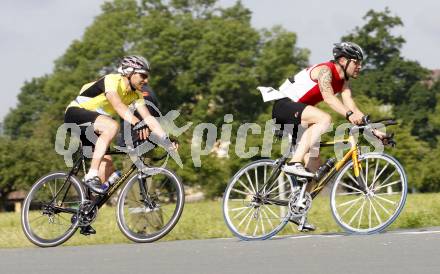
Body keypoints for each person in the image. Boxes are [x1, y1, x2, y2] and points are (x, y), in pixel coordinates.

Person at [271, 42, 386, 231]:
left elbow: (353, 109)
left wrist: (375, 132)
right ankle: (294, 163)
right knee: (324, 118)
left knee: (315, 169)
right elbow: (329, 98)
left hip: (301, 118)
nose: (360, 66)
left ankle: (297, 211)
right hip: (284, 106)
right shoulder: (326, 70)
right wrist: (348, 116)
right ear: (343, 60)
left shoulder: (344, 83)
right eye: (356, 62)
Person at [64, 56, 176, 234]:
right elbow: (117, 105)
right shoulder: (112, 80)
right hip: (76, 114)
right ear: (129, 72)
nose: (146, 80)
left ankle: (84, 213)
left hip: (96, 125)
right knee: (112, 126)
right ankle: (90, 174)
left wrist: (166, 140)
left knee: (107, 168)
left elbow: (148, 119)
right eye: (142, 75)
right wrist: (137, 123)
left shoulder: (135, 94)